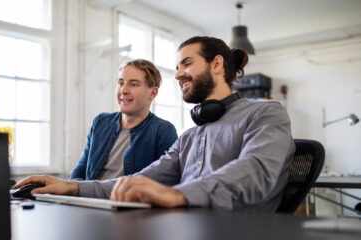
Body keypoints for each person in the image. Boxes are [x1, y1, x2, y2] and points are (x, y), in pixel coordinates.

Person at [15, 36, 295, 212]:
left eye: (186, 64)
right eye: (176, 68)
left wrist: (176, 194)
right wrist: (71, 187)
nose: (177, 75)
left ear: (217, 64)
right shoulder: (190, 137)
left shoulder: (266, 113)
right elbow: (141, 180)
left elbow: (255, 171)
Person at [69, 59, 178, 180]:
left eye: (134, 84)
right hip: (88, 197)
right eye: (121, 83)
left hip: (127, 199)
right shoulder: (100, 122)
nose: (124, 90)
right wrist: (72, 188)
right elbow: (80, 169)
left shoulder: (163, 131)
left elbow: (165, 182)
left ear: (152, 93)